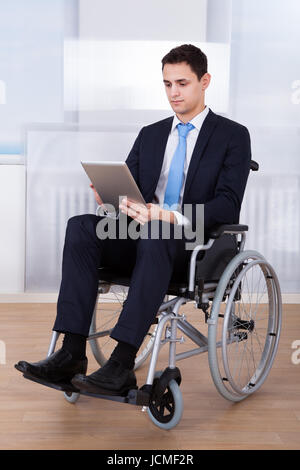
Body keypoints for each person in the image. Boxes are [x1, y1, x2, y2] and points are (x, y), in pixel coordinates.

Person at [15, 44, 251, 396]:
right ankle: (71, 352)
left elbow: (227, 207)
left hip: (195, 243)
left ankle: (123, 362)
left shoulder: (232, 135)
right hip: (143, 235)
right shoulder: (151, 133)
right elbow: (134, 195)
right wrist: (112, 199)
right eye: (167, 84)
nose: (173, 92)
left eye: (182, 83)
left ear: (205, 81)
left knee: (157, 228)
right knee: (81, 226)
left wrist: (165, 216)